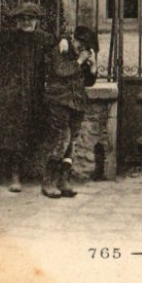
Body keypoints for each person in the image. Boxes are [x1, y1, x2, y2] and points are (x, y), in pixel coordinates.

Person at [0, 2, 56, 192]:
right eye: (22, 19)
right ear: (17, 21)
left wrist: (65, 40)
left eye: (30, 19)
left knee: (31, 130)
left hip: (33, 92)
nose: (26, 22)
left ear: (37, 21)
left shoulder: (43, 38)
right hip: (10, 91)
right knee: (12, 131)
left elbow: (61, 43)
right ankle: (14, 174)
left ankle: (26, 172)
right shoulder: (9, 36)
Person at [41, 25, 98, 199]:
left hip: (76, 104)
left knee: (71, 142)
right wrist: (79, 61)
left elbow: (87, 82)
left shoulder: (82, 55)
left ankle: (63, 180)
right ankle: (48, 181)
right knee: (61, 139)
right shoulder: (61, 49)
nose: (82, 49)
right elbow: (61, 71)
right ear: (74, 39)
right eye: (80, 44)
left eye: (86, 47)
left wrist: (93, 66)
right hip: (58, 101)